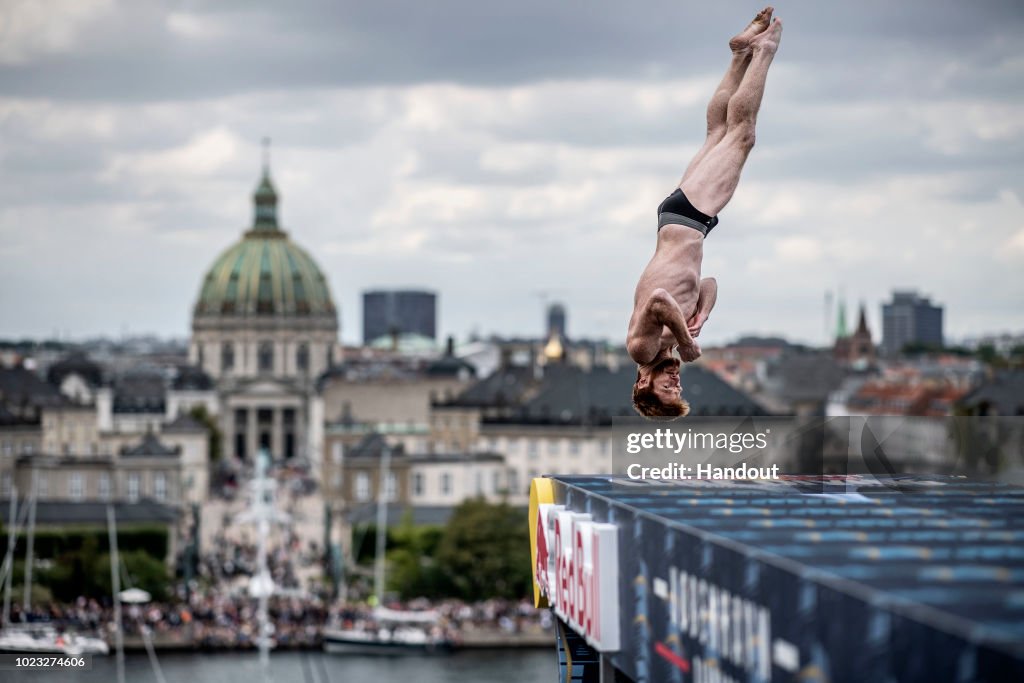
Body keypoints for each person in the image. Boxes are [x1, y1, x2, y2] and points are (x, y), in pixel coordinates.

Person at [628, 7, 782, 417]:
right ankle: (738, 55)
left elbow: (660, 299)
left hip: (689, 218)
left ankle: (763, 50)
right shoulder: (668, 343)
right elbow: (707, 282)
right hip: (681, 219)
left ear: (644, 381)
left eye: (666, 388)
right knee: (718, 131)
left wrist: (688, 340)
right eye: (677, 390)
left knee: (742, 133)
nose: (675, 382)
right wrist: (700, 316)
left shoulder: (642, 347)